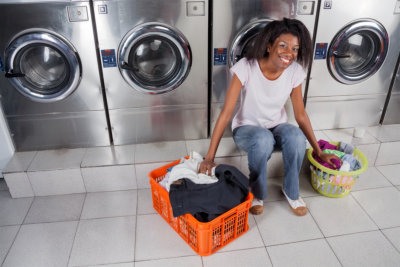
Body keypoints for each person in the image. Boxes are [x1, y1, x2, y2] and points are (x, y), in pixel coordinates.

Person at [199, 18, 340, 216]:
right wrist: (209, 157)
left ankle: (291, 192)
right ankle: (257, 193)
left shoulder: (294, 72)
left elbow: (300, 114)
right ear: (268, 46)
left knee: (295, 136)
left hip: (276, 127)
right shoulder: (246, 67)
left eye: (295, 48)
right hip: (247, 129)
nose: (289, 53)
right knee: (263, 138)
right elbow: (226, 113)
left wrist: (318, 151)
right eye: (283, 45)